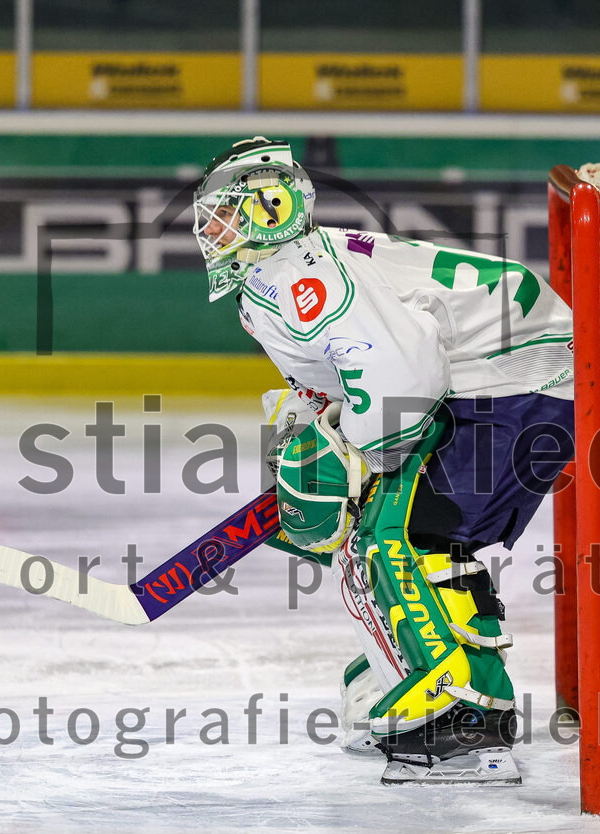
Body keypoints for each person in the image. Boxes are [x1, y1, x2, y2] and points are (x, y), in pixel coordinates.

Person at [193, 137, 574, 784]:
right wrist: (324, 427)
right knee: (370, 534)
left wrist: (356, 448)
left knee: (408, 534)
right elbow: (354, 373)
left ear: (269, 208)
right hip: (496, 380)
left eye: (223, 212)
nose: (210, 229)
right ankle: (409, 664)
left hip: (519, 381)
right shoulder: (281, 271)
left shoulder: (300, 273)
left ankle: (464, 712)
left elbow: (401, 371)